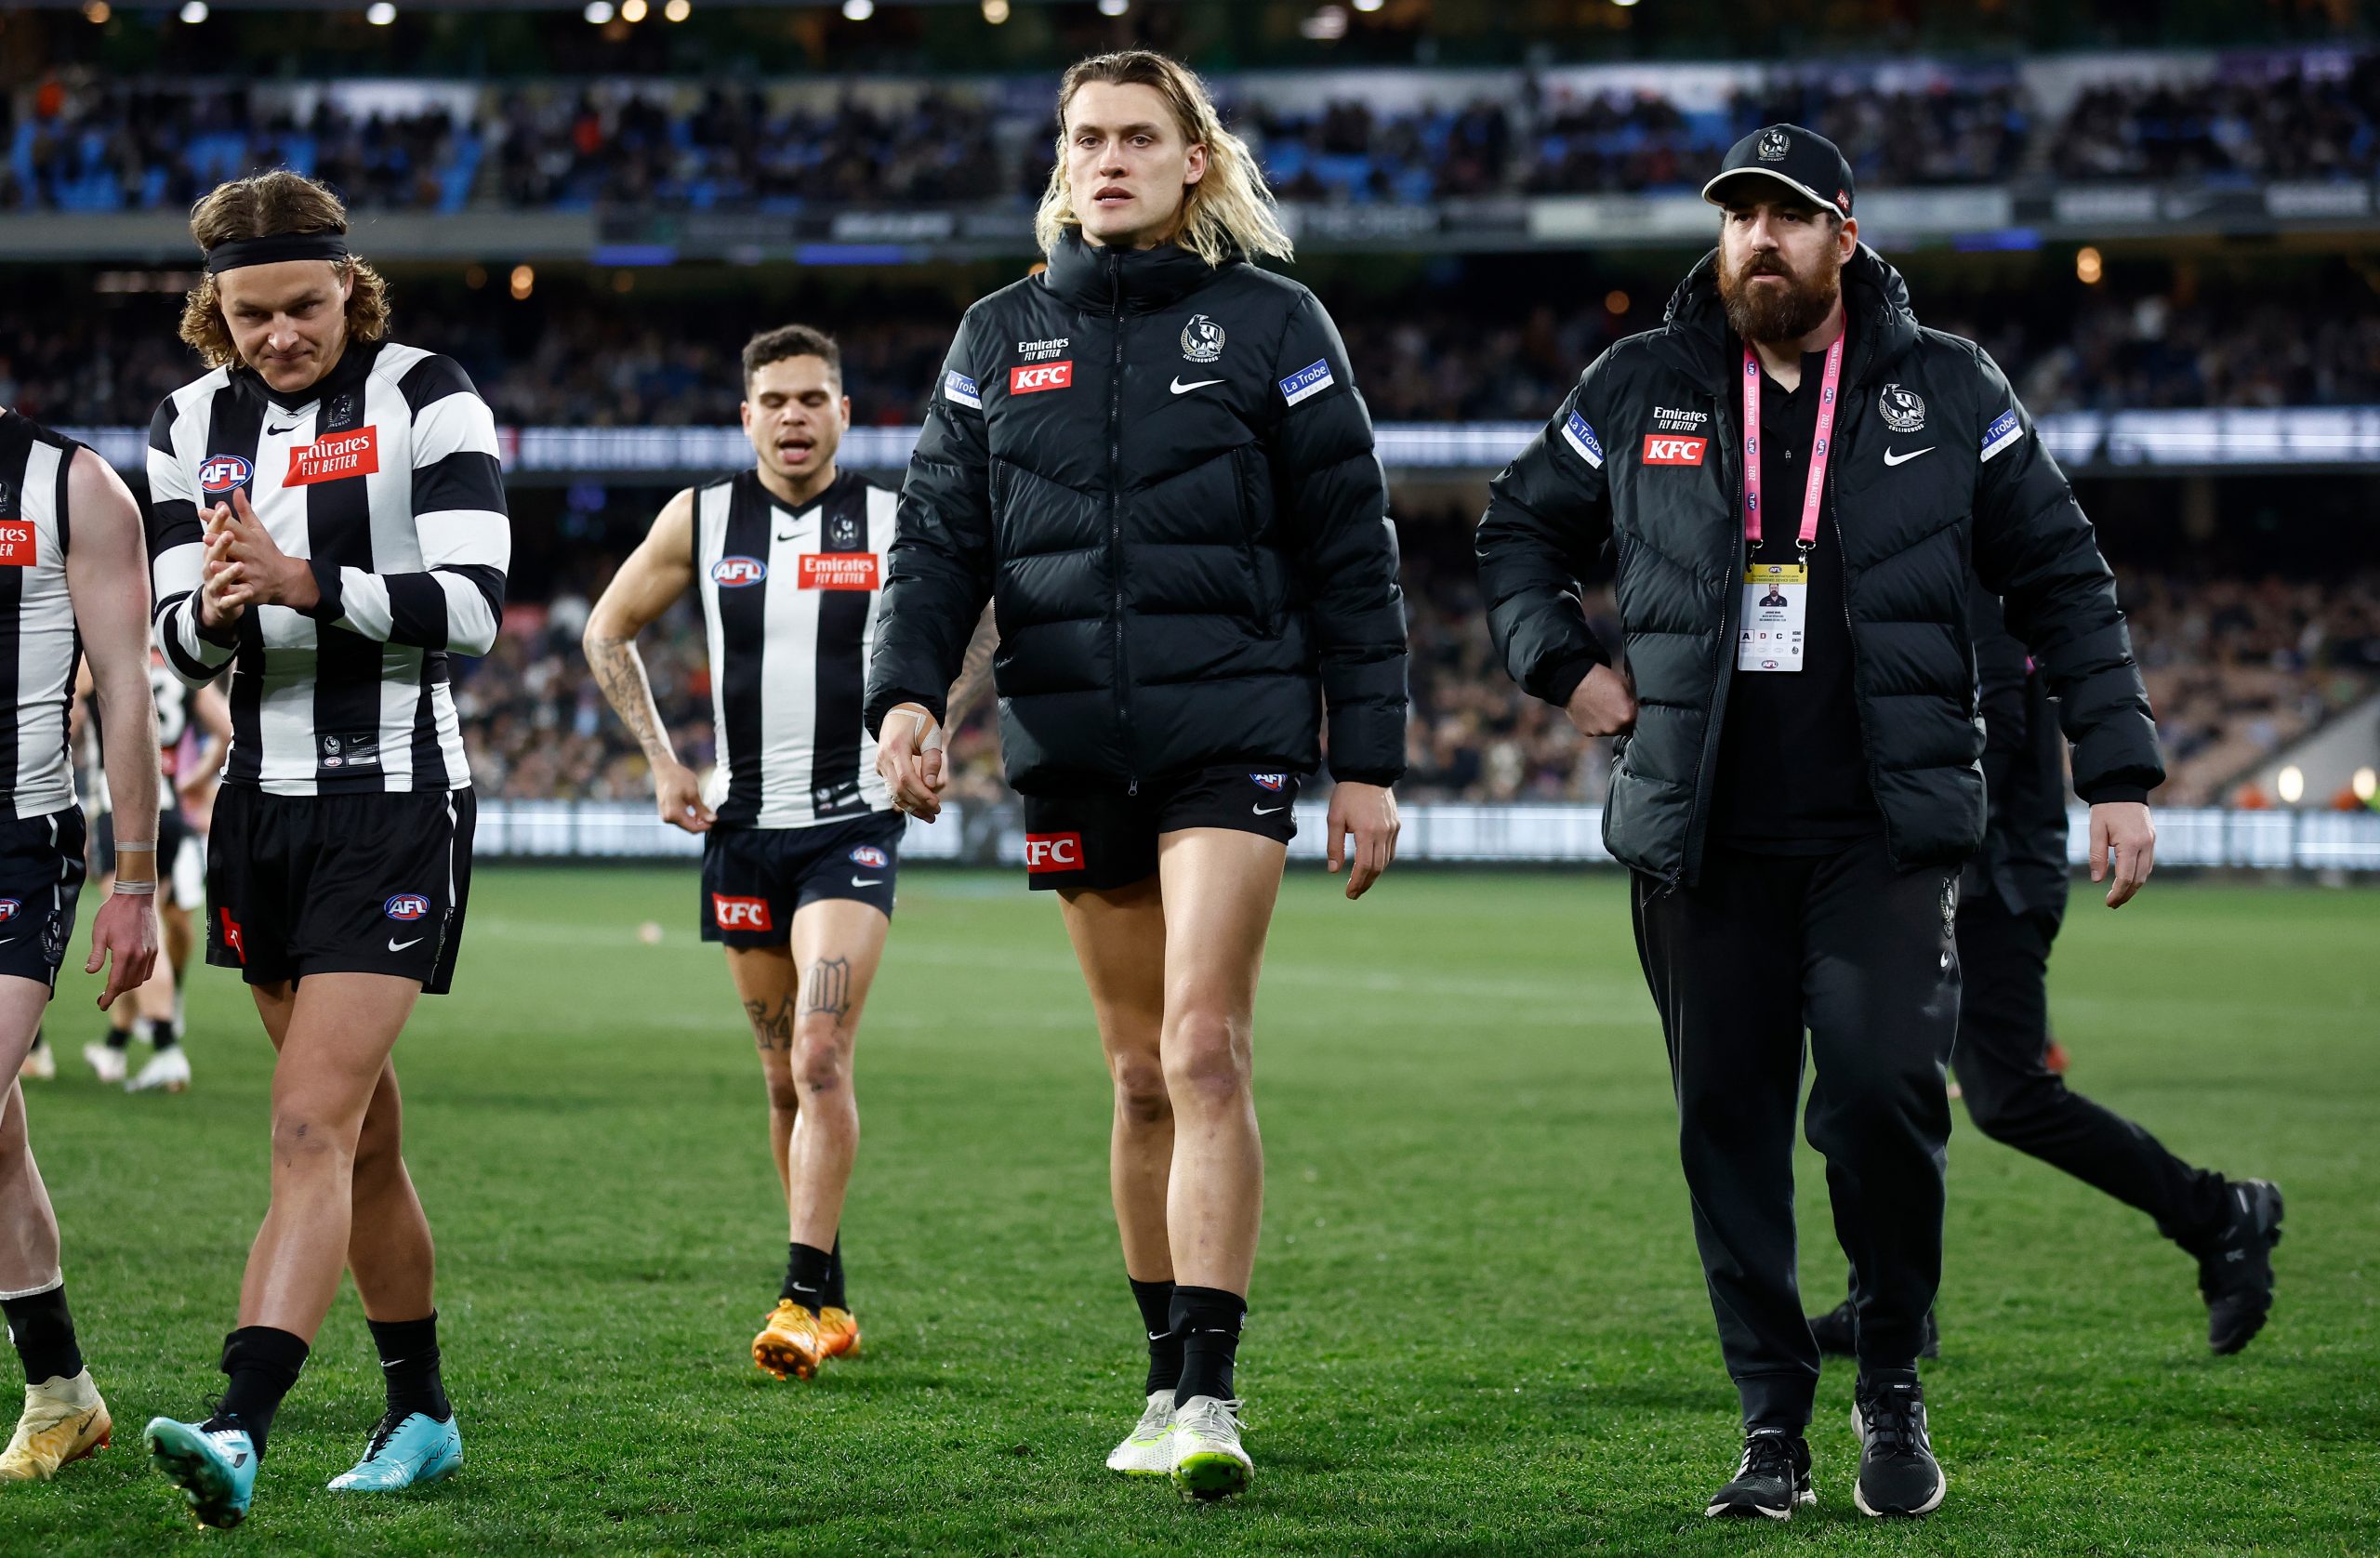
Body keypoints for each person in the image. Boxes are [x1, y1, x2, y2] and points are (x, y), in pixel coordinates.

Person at [1475, 125, 2164, 1522]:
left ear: (1844, 235)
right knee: (1725, 1128)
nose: (1759, 240)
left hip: (1883, 833)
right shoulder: (1640, 381)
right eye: (1738, 216)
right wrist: (1564, 665)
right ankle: (1771, 1426)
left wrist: (2118, 772)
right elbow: (1514, 534)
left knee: (1881, 1095)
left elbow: (2064, 577)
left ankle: (1890, 1377)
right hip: (1700, 837)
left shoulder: (1948, 386)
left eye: (1787, 216)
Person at [866, 49, 1407, 1501]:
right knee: (1135, 1076)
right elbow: (936, 543)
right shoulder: (997, 336)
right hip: (1070, 748)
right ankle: (1162, 1377)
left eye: (1137, 138)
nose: (1108, 160)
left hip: (1232, 733)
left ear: (1193, 160)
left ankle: (1214, 1396)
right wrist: (906, 695)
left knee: (1203, 1046)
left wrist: (1369, 761)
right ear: (1063, 162)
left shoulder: (1276, 323)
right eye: (1086, 138)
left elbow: (1354, 555)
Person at [137, 170, 509, 1526]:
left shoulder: (429, 395)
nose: (282, 334)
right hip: (259, 812)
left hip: (397, 803)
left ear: (351, 286)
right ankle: (424, 1414)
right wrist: (218, 611)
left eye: (305, 304)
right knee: (360, 1141)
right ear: (215, 311)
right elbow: (173, 635)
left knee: (306, 1123)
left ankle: (239, 1421)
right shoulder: (187, 423)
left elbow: (474, 607)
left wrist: (307, 583)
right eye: (253, 316)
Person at [583, 323, 991, 1384]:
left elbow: (986, 622)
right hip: (743, 831)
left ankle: (801, 1300)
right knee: (780, 1082)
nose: (794, 417)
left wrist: (932, 725)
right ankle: (834, 1296)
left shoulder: (896, 519)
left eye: (813, 398)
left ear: (844, 413)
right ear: (746, 416)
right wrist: (663, 761)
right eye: (774, 400)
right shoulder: (701, 517)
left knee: (818, 1055)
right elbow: (606, 629)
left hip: (852, 824)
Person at [1807, 583, 2281, 1358]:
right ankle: (1889, 1302)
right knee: (1881, 1082)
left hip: (1988, 880)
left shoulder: (1963, 585)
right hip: (1956, 872)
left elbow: (1986, 734)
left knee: (2004, 1096)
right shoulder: (1942, 579)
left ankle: (2220, 1215)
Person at [0, 410, 162, 1483]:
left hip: (17, 842)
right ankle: (62, 1391)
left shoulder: (71, 485)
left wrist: (134, 878)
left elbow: (126, 685)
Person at [74, 652, 228, 1093]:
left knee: (137, 928)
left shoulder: (102, 655)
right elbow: (228, 730)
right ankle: (116, 1043)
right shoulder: (181, 660)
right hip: (169, 811)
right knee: (143, 931)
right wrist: (194, 779)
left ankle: (165, 1048)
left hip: (120, 812)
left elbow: (65, 719)